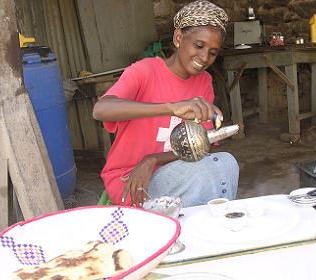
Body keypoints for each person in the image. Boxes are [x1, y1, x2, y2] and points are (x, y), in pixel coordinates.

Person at [93, 0, 239, 208]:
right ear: (179, 38)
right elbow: (101, 110)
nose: (204, 57)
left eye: (213, 52)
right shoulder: (145, 71)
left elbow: (198, 147)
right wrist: (171, 107)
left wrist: (152, 159)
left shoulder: (204, 81)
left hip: (172, 171)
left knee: (226, 163)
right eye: (199, 45)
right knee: (206, 176)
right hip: (130, 181)